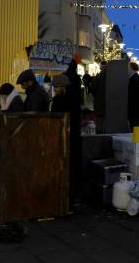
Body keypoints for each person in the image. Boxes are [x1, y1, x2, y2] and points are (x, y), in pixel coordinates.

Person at [50, 74, 82, 202]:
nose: (55, 90)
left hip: (65, 137)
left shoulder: (60, 100)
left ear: (63, 87)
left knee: (67, 167)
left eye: (57, 87)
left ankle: (66, 197)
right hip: (73, 137)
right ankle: (72, 196)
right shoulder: (74, 98)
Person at [127, 61, 139, 130]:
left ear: (131, 68)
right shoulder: (134, 77)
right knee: (134, 126)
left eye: (128, 67)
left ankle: (137, 140)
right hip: (135, 108)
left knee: (135, 126)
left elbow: (133, 94)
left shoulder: (135, 78)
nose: (126, 69)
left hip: (135, 108)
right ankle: (136, 139)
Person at [91, 61, 107, 132]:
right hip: (109, 102)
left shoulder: (98, 76)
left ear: (101, 67)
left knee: (99, 121)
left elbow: (93, 89)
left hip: (99, 102)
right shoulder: (111, 76)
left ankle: (99, 134)